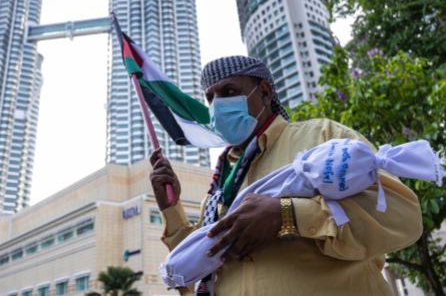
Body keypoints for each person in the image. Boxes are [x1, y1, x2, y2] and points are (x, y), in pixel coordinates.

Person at [149, 55, 423, 295]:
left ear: (265, 92)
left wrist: (287, 215)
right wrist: (171, 208)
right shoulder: (222, 180)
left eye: (229, 91)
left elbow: (401, 217)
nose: (217, 105)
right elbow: (196, 262)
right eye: (211, 98)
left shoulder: (321, 137)